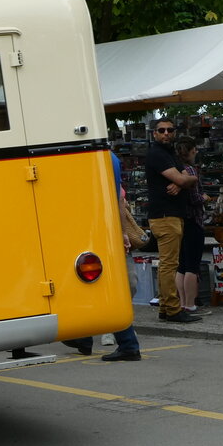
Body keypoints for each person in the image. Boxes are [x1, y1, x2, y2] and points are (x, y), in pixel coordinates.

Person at [62, 150, 144, 359]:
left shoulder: (81, 158)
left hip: (89, 231)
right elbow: (118, 200)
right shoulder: (108, 158)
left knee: (90, 283)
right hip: (106, 231)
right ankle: (119, 342)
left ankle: (89, 338)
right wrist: (122, 233)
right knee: (109, 285)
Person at [146, 117, 201, 323]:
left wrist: (182, 182)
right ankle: (172, 309)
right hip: (165, 216)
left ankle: (165, 306)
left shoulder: (170, 154)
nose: (166, 133)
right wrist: (185, 180)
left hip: (173, 215)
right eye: (162, 130)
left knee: (169, 263)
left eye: (170, 130)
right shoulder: (157, 154)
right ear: (155, 133)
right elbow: (183, 177)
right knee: (169, 265)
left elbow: (186, 176)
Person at [174, 136, 211, 316]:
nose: (196, 152)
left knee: (182, 265)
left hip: (181, 220)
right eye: (194, 149)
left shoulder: (175, 170)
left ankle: (182, 303)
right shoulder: (189, 170)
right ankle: (190, 304)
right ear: (190, 151)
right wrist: (205, 198)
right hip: (194, 220)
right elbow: (195, 198)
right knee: (192, 265)